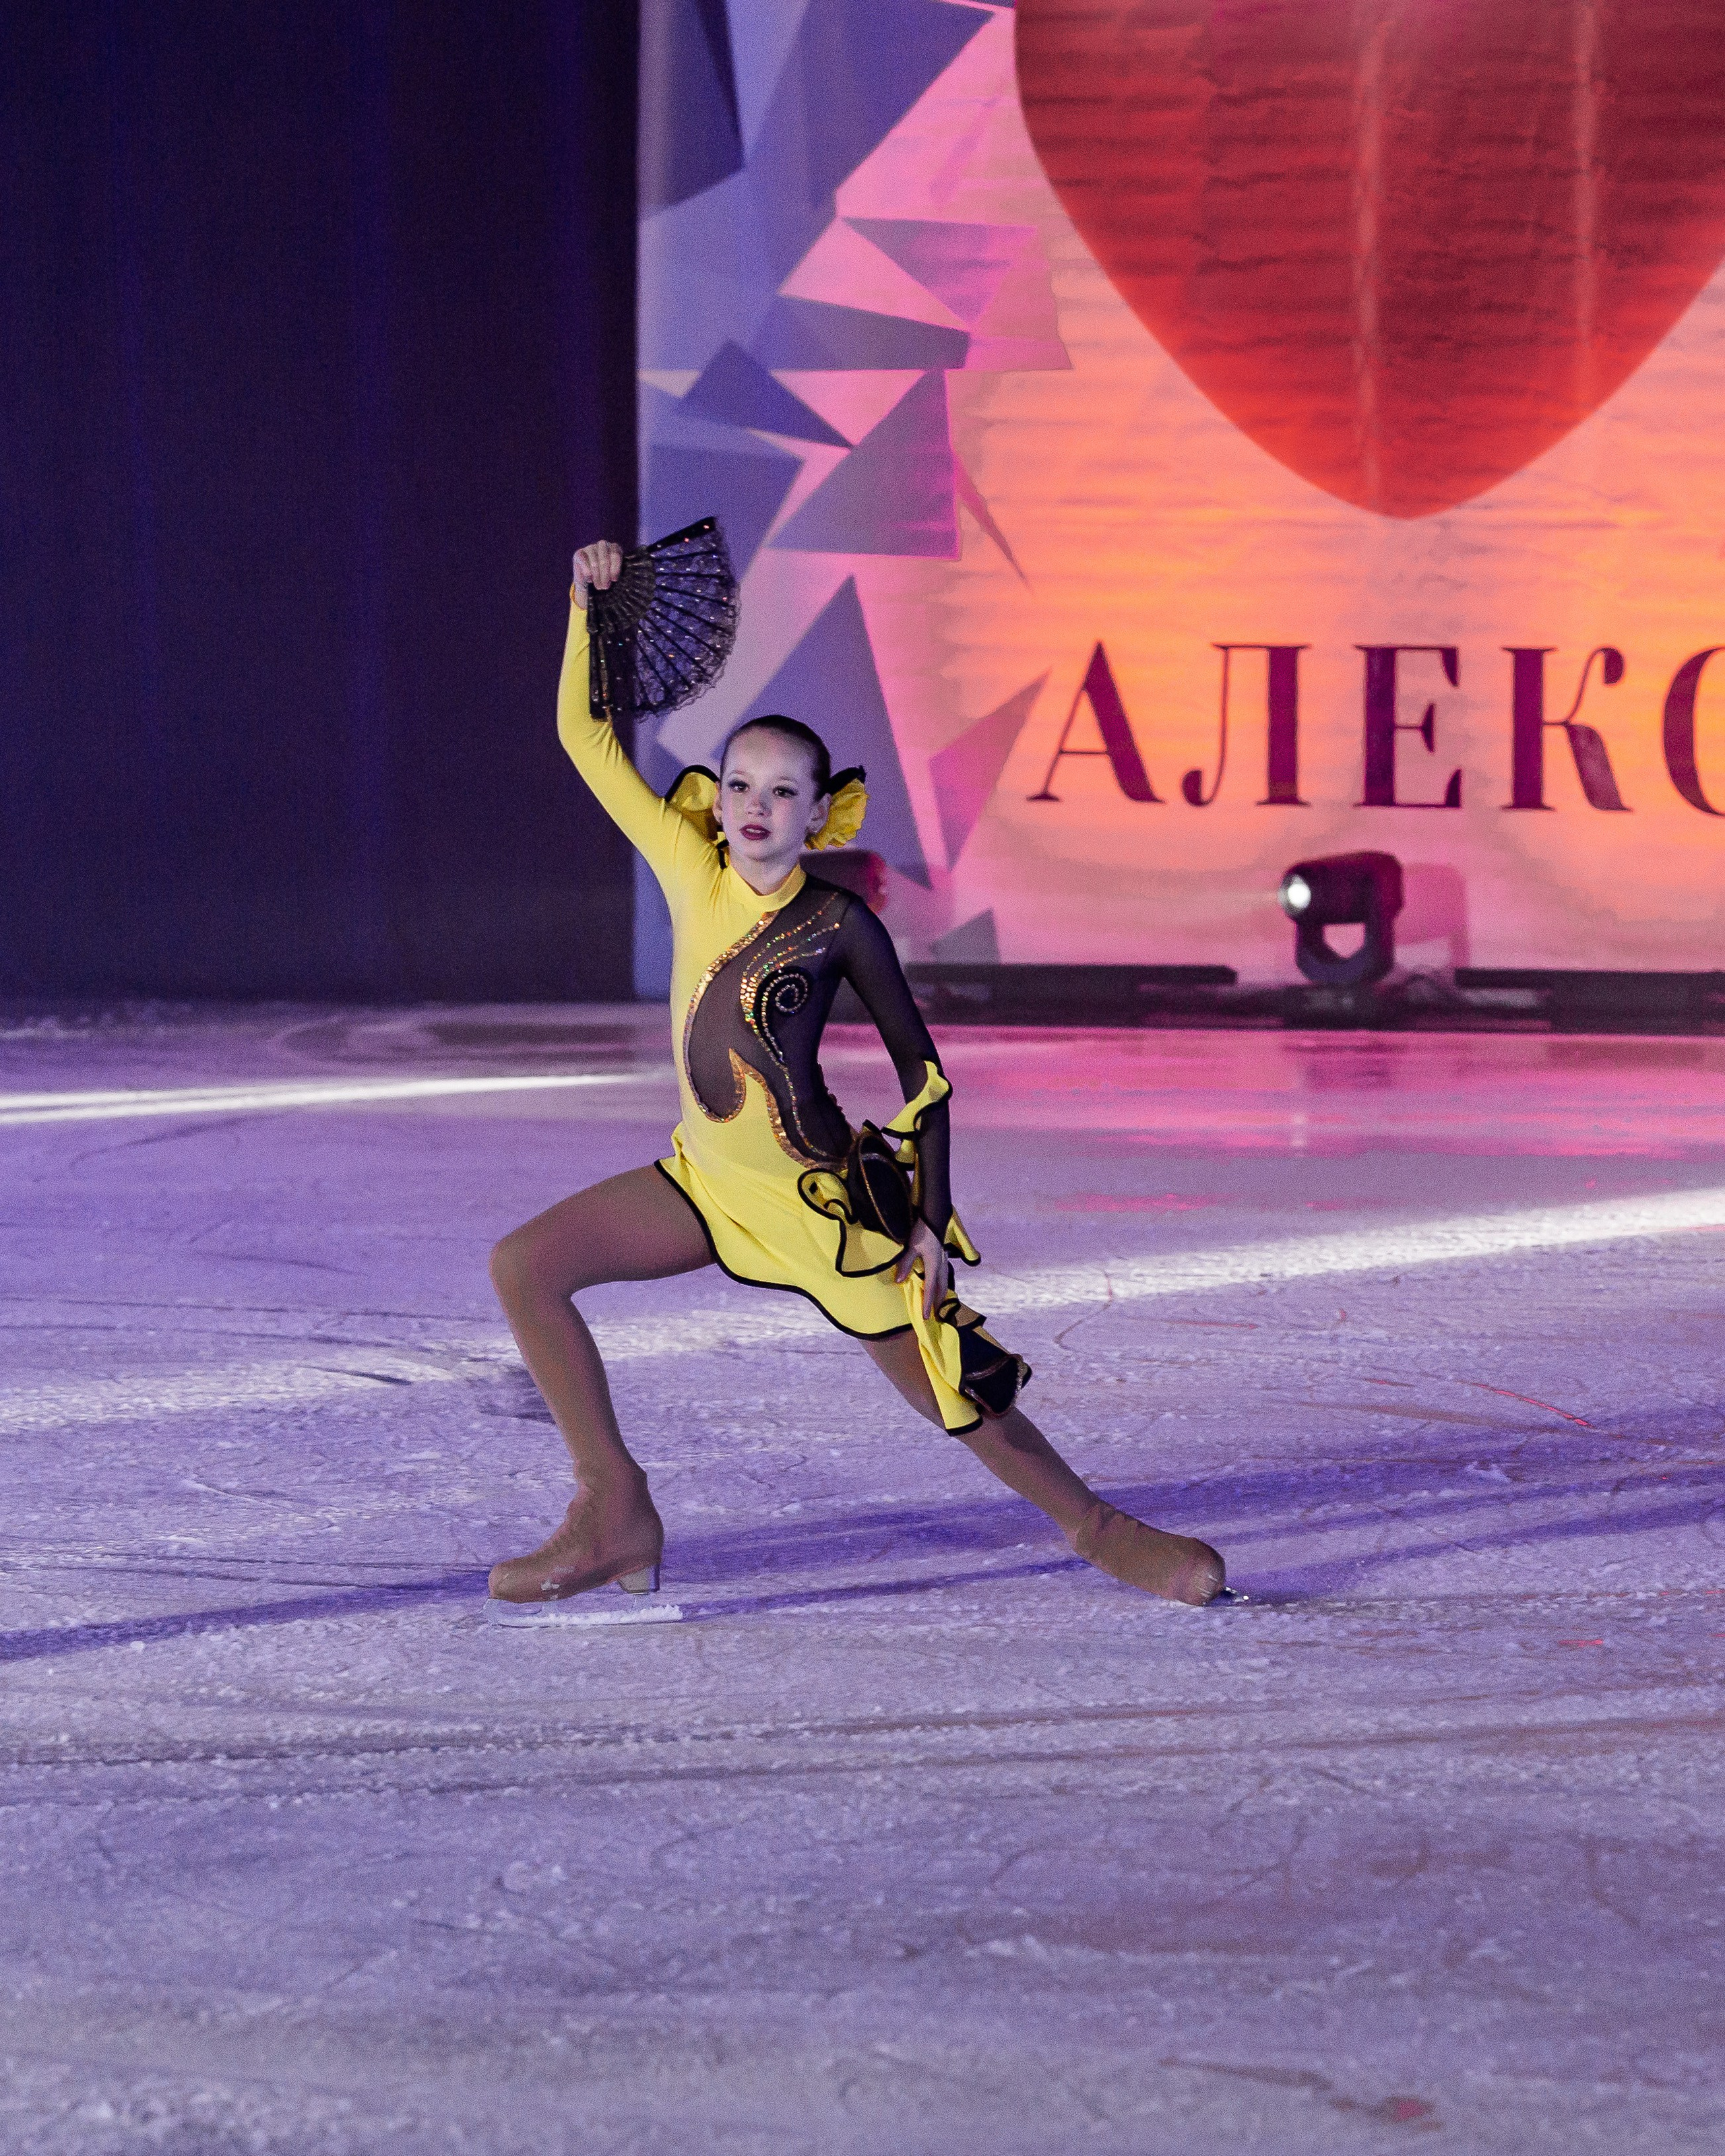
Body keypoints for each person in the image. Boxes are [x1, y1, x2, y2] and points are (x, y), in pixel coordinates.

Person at [485, 539, 1226, 1609]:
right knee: (525, 1265)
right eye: (739, 784)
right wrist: (586, 607)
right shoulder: (689, 865)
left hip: (817, 1203)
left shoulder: (839, 925)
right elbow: (581, 734)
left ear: (819, 809)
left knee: (948, 1391)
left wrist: (930, 1222)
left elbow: (924, 1078)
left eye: (781, 792)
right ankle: (614, 1508)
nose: (753, 807)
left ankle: (1099, 1528)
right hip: (705, 1185)